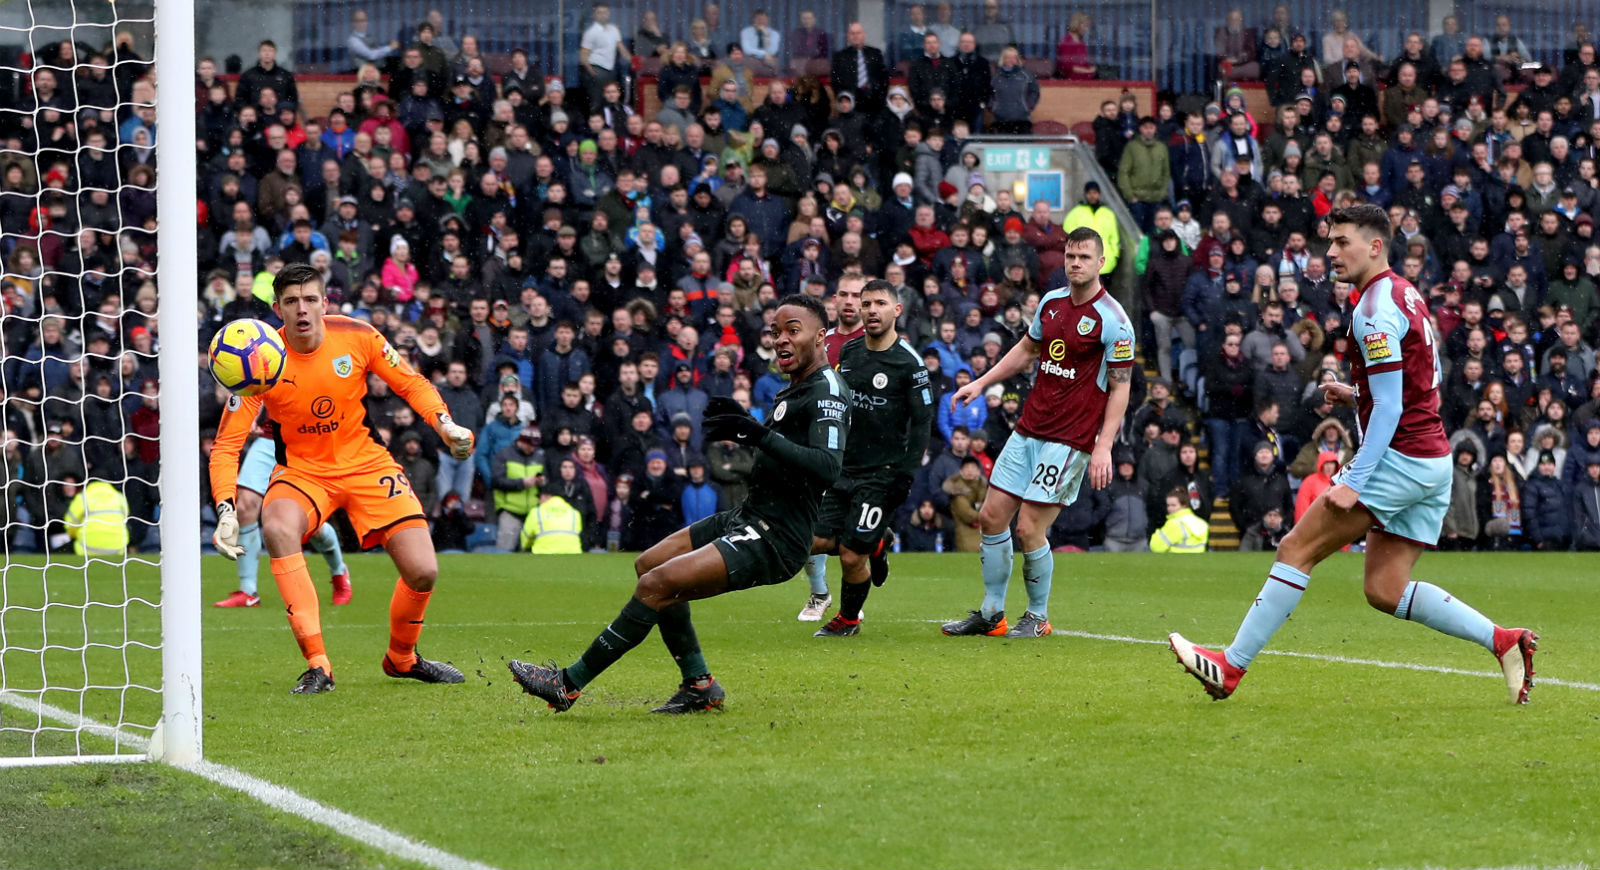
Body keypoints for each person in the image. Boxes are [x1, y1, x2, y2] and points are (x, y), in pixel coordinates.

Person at [1168, 204, 1539, 706]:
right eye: (1330, 240)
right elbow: (1412, 382)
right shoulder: (1406, 295)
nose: (1332, 252)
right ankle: (1503, 641)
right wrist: (1357, 391)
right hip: (1431, 460)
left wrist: (1355, 478)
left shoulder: (1372, 310)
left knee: (1295, 550)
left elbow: (1389, 406)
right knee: (1385, 590)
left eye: (1343, 241)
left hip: (1398, 460)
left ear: (1376, 246)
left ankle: (1230, 668)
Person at [508, 295, 850, 714]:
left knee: (655, 587)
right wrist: (749, 432)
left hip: (775, 536)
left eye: (792, 330)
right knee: (648, 566)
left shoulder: (827, 390)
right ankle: (700, 684)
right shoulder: (793, 388)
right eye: (775, 331)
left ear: (820, 336)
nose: (781, 339)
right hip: (749, 516)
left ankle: (568, 684)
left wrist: (759, 436)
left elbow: (829, 467)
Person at [209, 263, 472, 694]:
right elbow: (226, 446)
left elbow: (412, 384)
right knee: (276, 527)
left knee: (423, 571)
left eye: (311, 299)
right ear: (277, 309)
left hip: (368, 463)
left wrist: (445, 425)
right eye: (291, 302)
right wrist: (225, 507)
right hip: (302, 473)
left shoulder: (359, 335)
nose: (302, 310)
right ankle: (318, 665)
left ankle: (402, 660)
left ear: (325, 303)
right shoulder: (260, 359)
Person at [941, 228, 1134, 638]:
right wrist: (980, 382)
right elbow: (1027, 351)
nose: (1075, 263)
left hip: (1070, 439)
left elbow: (1121, 385)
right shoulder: (1050, 303)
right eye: (1070, 256)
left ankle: (1039, 615)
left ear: (1101, 262)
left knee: (1029, 528)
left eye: (1084, 256)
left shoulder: (1114, 320)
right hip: (1028, 429)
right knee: (991, 517)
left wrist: (1104, 447)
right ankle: (992, 613)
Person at [806, 280, 935, 636]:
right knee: (811, 541)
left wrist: (905, 476)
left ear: (896, 310)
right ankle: (876, 539)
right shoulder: (849, 353)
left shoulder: (909, 363)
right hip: (844, 467)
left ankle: (848, 620)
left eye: (880, 303)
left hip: (882, 473)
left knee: (850, 555)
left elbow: (923, 423)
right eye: (866, 304)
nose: (872, 310)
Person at [213, 423, 352, 608]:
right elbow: (252, 393)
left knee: (306, 524)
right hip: (269, 438)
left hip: (307, 440)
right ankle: (248, 591)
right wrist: (251, 414)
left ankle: (339, 571)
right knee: (245, 507)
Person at [1149, 488, 1208, 553]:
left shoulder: (1175, 523)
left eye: (1173, 505)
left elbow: (1156, 547)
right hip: (1197, 561)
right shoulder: (1200, 522)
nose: (1169, 508)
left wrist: (1158, 532)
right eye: (1168, 505)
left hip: (1176, 560)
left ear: (1184, 505)